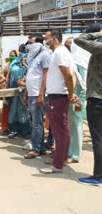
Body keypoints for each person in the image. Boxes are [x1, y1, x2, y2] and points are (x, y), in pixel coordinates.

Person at [39, 30, 78, 174]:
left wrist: (70, 93)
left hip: (59, 95)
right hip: (60, 95)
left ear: (54, 39)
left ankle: (57, 165)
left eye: (47, 38)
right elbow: (71, 74)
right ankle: (60, 158)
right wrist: (70, 93)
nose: (45, 40)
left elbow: (68, 74)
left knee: (59, 131)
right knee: (62, 129)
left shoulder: (60, 52)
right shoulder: (62, 53)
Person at [74, 24, 102, 185]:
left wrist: (97, 33)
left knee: (98, 140)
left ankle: (98, 176)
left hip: (97, 99)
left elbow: (79, 39)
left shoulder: (99, 47)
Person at [23, 35, 51, 159]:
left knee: (37, 123)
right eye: (28, 42)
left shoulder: (44, 55)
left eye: (31, 42)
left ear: (39, 43)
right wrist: (26, 93)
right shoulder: (32, 56)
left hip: (38, 95)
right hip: (31, 94)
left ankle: (35, 149)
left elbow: (46, 75)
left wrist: (41, 94)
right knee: (33, 122)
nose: (29, 45)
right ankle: (41, 147)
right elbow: (30, 75)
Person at [65, 38, 88, 164]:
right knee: (70, 126)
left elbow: (84, 84)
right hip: (70, 99)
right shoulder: (72, 60)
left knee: (76, 126)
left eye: (68, 46)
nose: (66, 48)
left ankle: (75, 155)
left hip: (77, 99)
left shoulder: (81, 62)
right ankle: (69, 151)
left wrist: (80, 101)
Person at [7, 45, 31, 139]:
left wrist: (23, 81)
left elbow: (30, 73)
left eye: (24, 51)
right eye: (21, 51)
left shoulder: (30, 62)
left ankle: (26, 131)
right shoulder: (14, 62)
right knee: (13, 110)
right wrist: (7, 88)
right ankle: (14, 130)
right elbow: (9, 76)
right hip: (13, 90)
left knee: (24, 111)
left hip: (25, 90)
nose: (22, 54)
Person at [1, 50, 17, 135]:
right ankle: (5, 128)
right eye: (10, 55)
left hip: (16, 89)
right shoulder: (7, 66)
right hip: (7, 88)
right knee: (6, 108)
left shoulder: (18, 66)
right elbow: (4, 77)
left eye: (13, 56)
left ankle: (14, 128)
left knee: (14, 109)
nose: (11, 57)